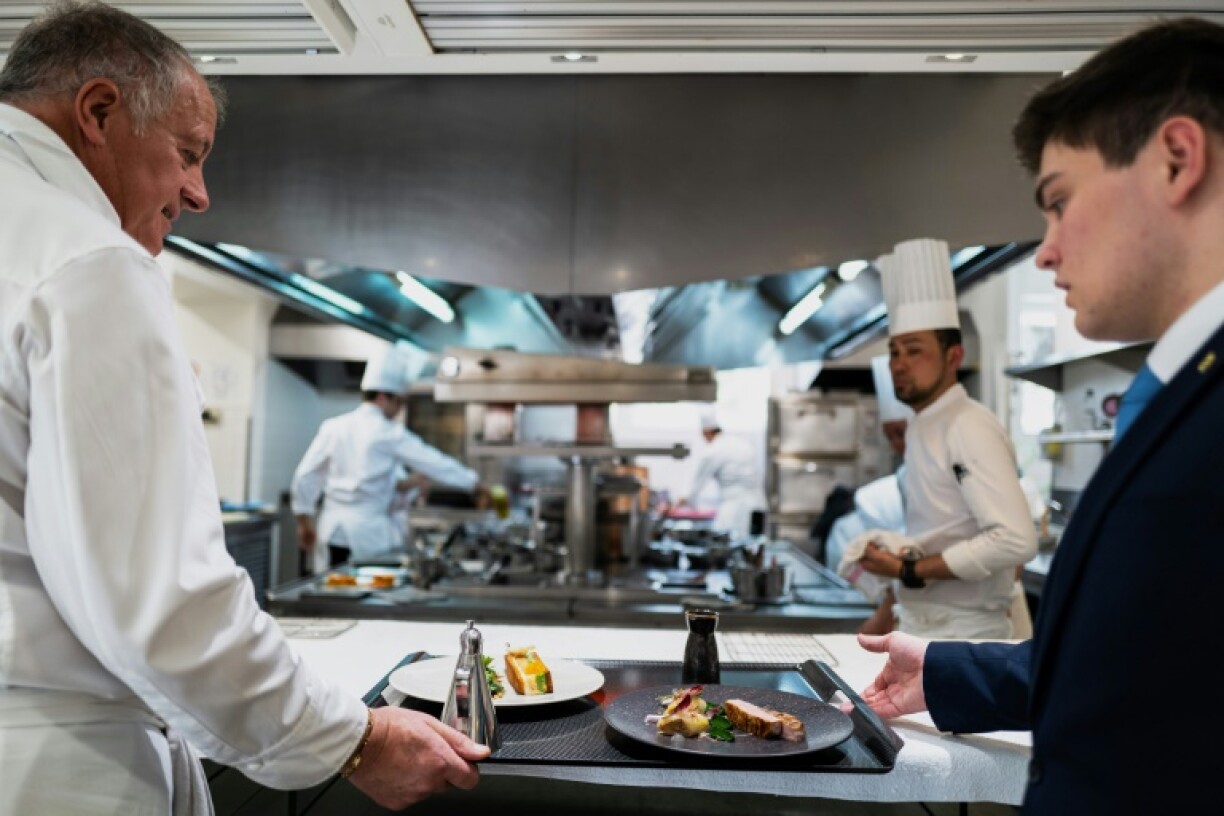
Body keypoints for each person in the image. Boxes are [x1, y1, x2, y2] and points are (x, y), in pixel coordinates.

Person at [0, 3, 488, 813]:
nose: (198, 193)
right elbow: (160, 605)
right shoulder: (87, 263)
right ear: (97, 112)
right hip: (53, 762)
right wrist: (352, 738)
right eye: (188, 155)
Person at [855, 18, 1224, 814]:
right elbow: (1149, 659)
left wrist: (913, 569)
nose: (1046, 250)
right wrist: (948, 672)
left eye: (1059, 204)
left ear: (1177, 159)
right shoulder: (1179, 386)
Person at [855, 238, 1037, 639]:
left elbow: (1016, 540)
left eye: (914, 351)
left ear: (953, 356)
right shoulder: (922, 425)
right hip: (922, 627)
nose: (899, 364)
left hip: (965, 637)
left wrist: (909, 569)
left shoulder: (968, 425)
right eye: (894, 351)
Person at [292, 340, 483, 573]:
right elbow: (434, 461)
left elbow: (305, 476)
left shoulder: (333, 427)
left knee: (332, 589)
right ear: (383, 397)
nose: (400, 408)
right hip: (368, 535)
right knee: (364, 597)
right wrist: (473, 482)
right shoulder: (386, 431)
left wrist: (304, 523)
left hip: (332, 531)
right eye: (399, 401)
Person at [672, 405, 767, 539]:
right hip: (758, 505)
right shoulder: (741, 444)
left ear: (706, 433)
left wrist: (674, 506)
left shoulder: (714, 450)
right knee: (754, 548)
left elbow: (693, 488)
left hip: (735, 510)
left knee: (731, 547)